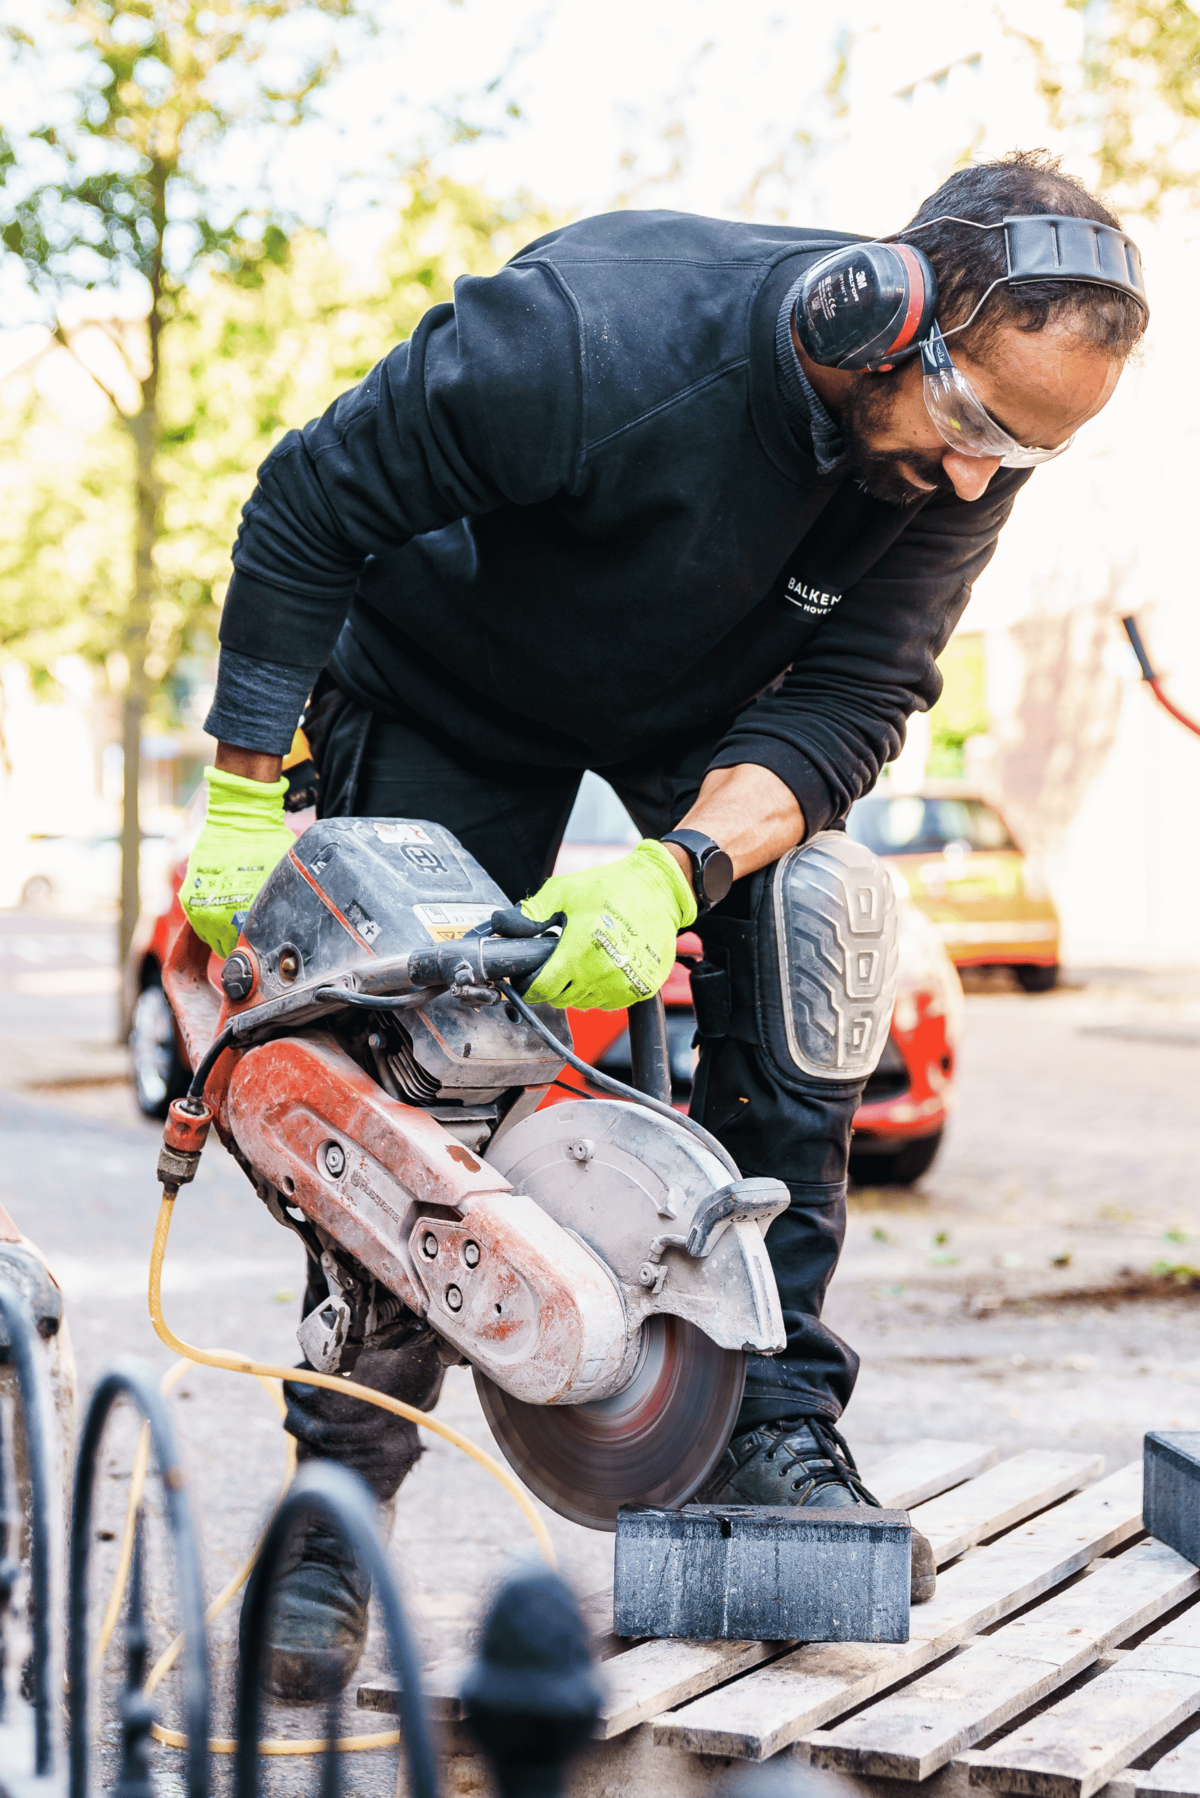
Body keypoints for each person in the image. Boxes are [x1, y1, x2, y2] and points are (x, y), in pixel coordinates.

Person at [186, 151, 1146, 1700]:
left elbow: (859, 694)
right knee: (407, 1068)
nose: (978, 476)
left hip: (705, 718)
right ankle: (331, 1512)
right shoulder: (590, 335)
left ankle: (773, 1425)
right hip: (449, 682)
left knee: (831, 905)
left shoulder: (971, 459)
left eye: (1021, 454)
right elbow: (310, 502)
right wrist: (242, 797)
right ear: (880, 314)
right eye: (971, 421)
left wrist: (673, 869)